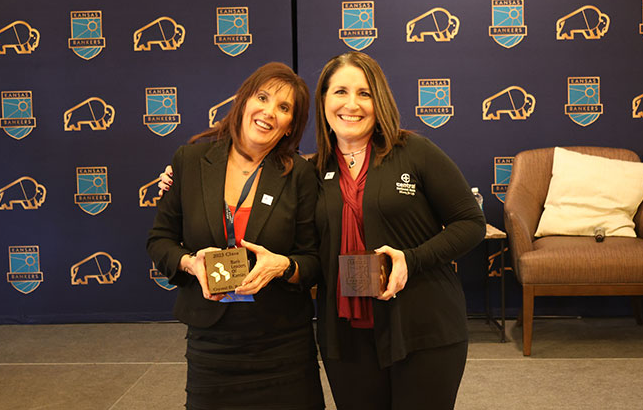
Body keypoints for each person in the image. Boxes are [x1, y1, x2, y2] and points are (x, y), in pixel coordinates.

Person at [312, 51, 486, 410]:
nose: (351, 104)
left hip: (423, 326)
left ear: (380, 101)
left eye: (364, 93)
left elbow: (471, 223)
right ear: (324, 100)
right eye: (340, 91)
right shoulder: (311, 171)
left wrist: (411, 258)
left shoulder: (414, 151)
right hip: (346, 337)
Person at [147, 62, 325, 410]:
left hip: (282, 342)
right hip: (212, 343)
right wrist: (190, 263)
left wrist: (283, 266)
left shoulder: (300, 175)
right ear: (244, 100)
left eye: (284, 107)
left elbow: (314, 261)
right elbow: (159, 241)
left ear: (291, 125)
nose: (269, 112)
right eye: (263, 97)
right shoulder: (190, 161)